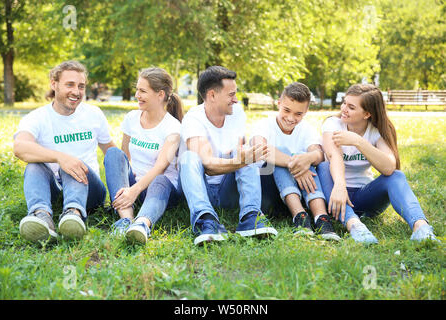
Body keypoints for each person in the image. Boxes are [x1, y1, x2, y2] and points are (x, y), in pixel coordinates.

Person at [316, 83, 439, 243]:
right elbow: (334, 156)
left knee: (396, 176)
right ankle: (354, 225)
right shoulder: (333, 124)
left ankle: (421, 228)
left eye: (351, 107)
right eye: (344, 102)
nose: (344, 109)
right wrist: (340, 185)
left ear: (367, 113)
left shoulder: (377, 131)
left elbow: (388, 168)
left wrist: (359, 141)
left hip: (365, 197)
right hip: (335, 194)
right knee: (323, 167)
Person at [14, 60, 116, 242]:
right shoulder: (37, 117)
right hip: (55, 191)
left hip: (90, 192)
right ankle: (42, 216)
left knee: (74, 165)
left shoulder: (93, 114)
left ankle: (74, 214)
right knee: (34, 167)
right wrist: (60, 158)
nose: (76, 92)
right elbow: (20, 147)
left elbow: (112, 153)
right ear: (54, 84)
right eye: (70, 85)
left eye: (81, 86)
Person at [179, 66, 277, 245]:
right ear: (212, 95)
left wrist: (245, 156)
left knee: (245, 151)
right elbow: (208, 165)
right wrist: (240, 160)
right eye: (231, 95)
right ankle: (206, 220)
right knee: (189, 157)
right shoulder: (193, 120)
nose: (236, 99)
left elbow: (238, 153)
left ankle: (250, 216)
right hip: (202, 189)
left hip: (227, 190)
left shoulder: (237, 113)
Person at [251, 82, 340, 240]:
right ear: (279, 104)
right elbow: (261, 150)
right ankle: (300, 216)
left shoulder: (307, 129)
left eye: (298, 114)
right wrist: (296, 164)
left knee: (306, 157)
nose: (291, 118)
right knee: (283, 152)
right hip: (267, 193)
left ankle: (321, 218)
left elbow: (318, 154)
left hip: (297, 192)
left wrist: (306, 159)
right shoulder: (263, 125)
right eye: (286, 110)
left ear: (306, 112)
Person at [103, 67, 183, 244]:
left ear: (160, 94)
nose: (137, 95)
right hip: (135, 187)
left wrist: (134, 190)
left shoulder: (173, 127)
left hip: (161, 190)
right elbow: (124, 158)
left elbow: (161, 167)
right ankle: (125, 220)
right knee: (113, 153)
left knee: (161, 179)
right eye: (137, 90)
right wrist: (127, 188)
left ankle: (142, 224)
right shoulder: (131, 118)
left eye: (142, 91)